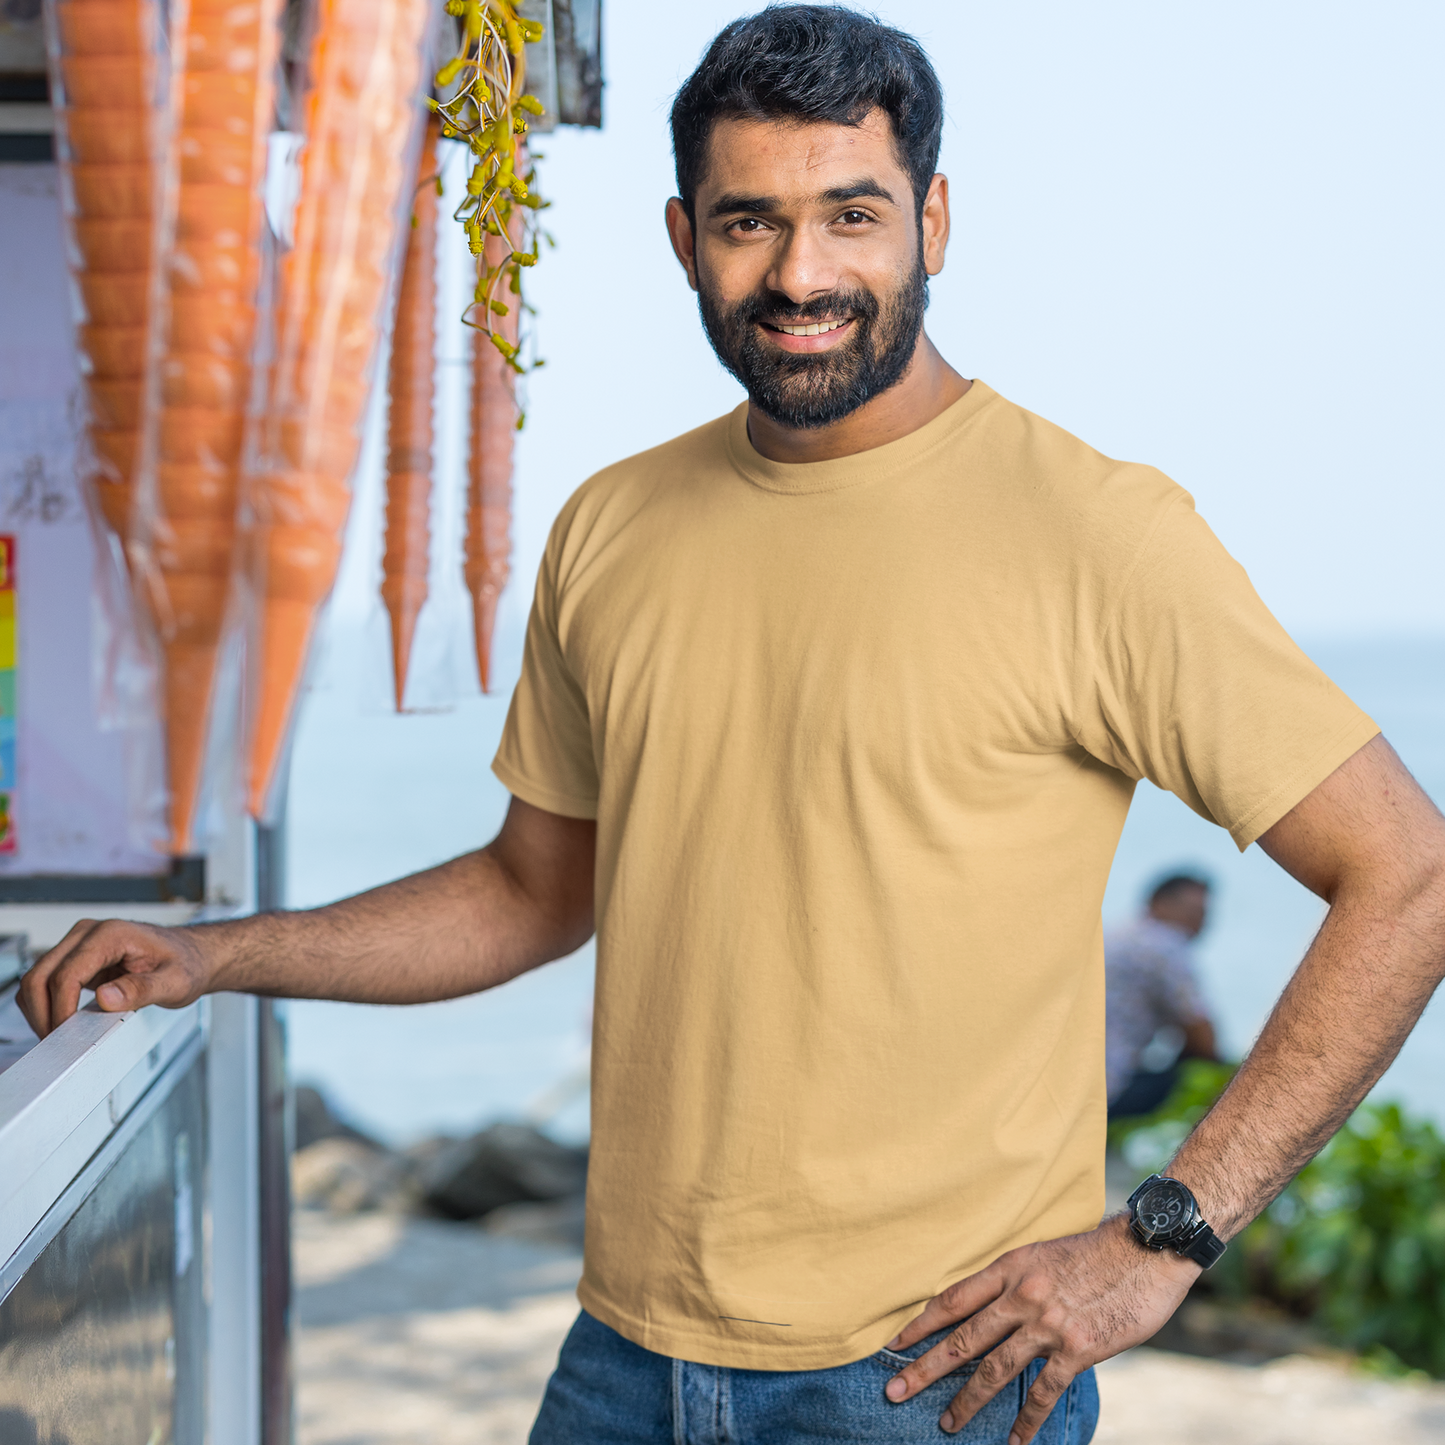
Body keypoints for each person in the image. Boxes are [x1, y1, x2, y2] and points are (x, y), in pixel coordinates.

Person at [20, 8, 1445, 1444]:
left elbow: (1407, 877)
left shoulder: (1100, 535)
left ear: (933, 220)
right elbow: (529, 892)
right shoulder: (612, 527)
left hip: (933, 1381)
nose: (800, 272)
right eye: (748, 221)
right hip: (624, 1358)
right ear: (681, 237)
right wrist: (214, 953)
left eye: (852, 214)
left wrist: (1157, 1243)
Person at [1105, 874, 1220, 1120]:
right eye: (1192, 912)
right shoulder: (1165, 944)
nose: (1200, 923)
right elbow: (1202, 1034)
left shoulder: (1117, 933)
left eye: (1202, 915)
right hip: (1107, 1081)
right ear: (1158, 902)